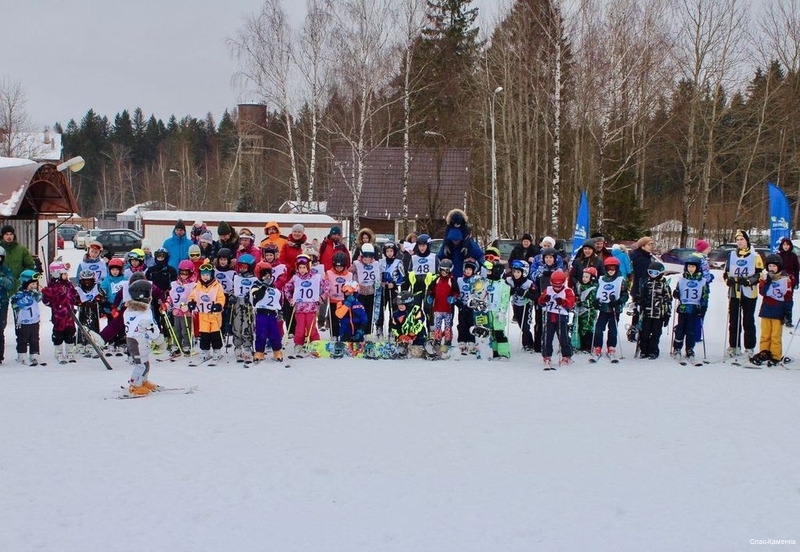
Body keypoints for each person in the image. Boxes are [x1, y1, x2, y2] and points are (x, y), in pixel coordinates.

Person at [723, 229, 763, 358]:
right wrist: (728, 280)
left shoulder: (755, 256)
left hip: (749, 293)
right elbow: (726, 272)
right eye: (737, 240)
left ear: (747, 240)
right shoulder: (732, 255)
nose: (739, 242)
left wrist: (748, 281)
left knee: (748, 320)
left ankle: (749, 347)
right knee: (734, 320)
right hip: (735, 292)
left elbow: (759, 274)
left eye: (742, 239)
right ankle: (734, 346)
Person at [124, 280, 166, 396]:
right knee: (140, 365)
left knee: (145, 363)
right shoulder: (144, 316)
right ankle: (134, 386)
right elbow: (153, 330)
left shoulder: (130, 310)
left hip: (140, 341)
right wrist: (160, 341)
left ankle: (143, 381)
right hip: (137, 343)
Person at [750, 254, 793, 366]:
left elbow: (788, 297)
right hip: (766, 310)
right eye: (769, 266)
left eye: (774, 266)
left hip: (778, 311)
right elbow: (762, 292)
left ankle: (775, 355)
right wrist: (767, 281)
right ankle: (764, 352)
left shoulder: (785, 279)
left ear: (778, 266)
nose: (771, 268)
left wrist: (788, 313)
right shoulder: (765, 278)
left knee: (775, 335)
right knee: (765, 334)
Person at [284, 255, 329, 354]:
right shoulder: (295, 278)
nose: (302, 270)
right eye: (300, 267)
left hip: (311, 307)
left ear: (308, 266)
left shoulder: (315, 277)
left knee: (311, 326)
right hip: (299, 308)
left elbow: (326, 286)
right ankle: (298, 343)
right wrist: (291, 299)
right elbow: (287, 287)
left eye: (304, 267)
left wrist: (322, 297)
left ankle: (315, 342)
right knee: (299, 327)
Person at [591, 256, 628, 362]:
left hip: (614, 309)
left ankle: (611, 347)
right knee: (599, 329)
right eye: (609, 269)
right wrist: (596, 302)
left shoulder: (621, 280)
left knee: (613, 330)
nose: (611, 271)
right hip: (603, 309)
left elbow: (625, 294)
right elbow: (597, 291)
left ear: (617, 268)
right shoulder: (602, 279)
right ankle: (597, 347)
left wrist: (619, 301)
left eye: (613, 269)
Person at [188, 260, 226, 363]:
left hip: (214, 315)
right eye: (203, 275)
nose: (205, 277)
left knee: (215, 333)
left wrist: (219, 305)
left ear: (212, 275)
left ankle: (216, 350)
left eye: (207, 275)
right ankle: (205, 351)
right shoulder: (197, 286)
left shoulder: (217, 286)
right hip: (203, 314)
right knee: (204, 334)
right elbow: (192, 296)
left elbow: (221, 298)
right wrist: (191, 303)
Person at [41, 261, 79, 363]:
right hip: (59, 316)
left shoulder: (69, 284)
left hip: (69, 315)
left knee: (70, 332)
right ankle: (58, 351)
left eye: (67, 273)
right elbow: (46, 300)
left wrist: (76, 298)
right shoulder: (53, 286)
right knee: (58, 333)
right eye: (64, 274)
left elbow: (73, 294)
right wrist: (51, 301)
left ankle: (70, 350)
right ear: (57, 274)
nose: (67, 276)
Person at [671, 257, 708, 363]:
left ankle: (689, 349)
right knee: (680, 329)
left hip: (694, 309)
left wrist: (703, 308)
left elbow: (705, 296)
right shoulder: (682, 279)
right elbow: (678, 290)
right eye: (689, 266)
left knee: (691, 331)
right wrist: (676, 293)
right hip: (683, 308)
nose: (691, 269)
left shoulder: (702, 281)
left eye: (693, 267)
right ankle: (677, 348)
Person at [538, 268, 575, 369]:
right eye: (555, 285)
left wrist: (563, 301)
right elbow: (540, 302)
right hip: (550, 316)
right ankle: (546, 356)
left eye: (559, 286)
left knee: (564, 338)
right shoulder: (548, 289)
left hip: (561, 317)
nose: (557, 288)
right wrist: (544, 299)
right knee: (546, 338)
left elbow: (571, 303)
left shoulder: (567, 291)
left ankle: (567, 356)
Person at [636, 261, 672, 360]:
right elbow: (641, 296)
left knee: (656, 333)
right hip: (647, 313)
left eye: (655, 273)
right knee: (645, 333)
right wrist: (640, 300)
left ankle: (653, 350)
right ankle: (644, 350)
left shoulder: (664, 285)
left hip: (658, 314)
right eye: (650, 272)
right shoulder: (646, 283)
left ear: (660, 273)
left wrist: (667, 314)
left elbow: (668, 300)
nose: (652, 275)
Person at [250, 263, 285, 362]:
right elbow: (257, 296)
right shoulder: (256, 285)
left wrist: (280, 312)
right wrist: (264, 286)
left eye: (268, 275)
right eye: (264, 275)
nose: (267, 277)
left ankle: (277, 351)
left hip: (272, 314)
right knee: (261, 334)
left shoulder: (273, 287)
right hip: (261, 314)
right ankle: (259, 352)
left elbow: (277, 300)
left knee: (275, 334)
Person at [10, 269, 42, 365]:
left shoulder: (34, 294)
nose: (34, 286)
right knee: (23, 339)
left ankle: (34, 355)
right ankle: (22, 355)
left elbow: (40, 298)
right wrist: (22, 302)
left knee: (35, 339)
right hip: (24, 321)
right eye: (32, 284)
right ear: (25, 284)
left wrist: (37, 294)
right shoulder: (19, 295)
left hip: (35, 321)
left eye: (35, 284)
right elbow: (14, 304)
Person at [426, 258, 459, 350]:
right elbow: (431, 290)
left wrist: (453, 297)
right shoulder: (437, 279)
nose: (444, 272)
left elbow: (456, 292)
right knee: (437, 325)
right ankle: (437, 339)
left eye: (446, 270)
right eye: (442, 270)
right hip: (437, 308)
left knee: (448, 325)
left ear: (450, 270)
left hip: (448, 309)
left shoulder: (451, 280)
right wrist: (430, 297)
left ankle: (448, 340)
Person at [230, 254, 257, 363]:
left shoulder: (254, 279)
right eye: (240, 266)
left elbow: (256, 292)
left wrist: (251, 297)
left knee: (247, 324)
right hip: (237, 303)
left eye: (245, 267)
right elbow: (233, 288)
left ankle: (247, 345)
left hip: (248, 305)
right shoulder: (236, 277)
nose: (242, 269)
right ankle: (237, 345)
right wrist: (232, 296)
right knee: (237, 324)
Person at [376, 242, 405, 339]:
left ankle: (392, 328)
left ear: (394, 252)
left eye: (391, 251)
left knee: (393, 308)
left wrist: (394, 283)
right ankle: (379, 327)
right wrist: (381, 282)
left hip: (393, 289)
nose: (389, 253)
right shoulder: (381, 262)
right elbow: (377, 275)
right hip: (383, 288)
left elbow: (402, 277)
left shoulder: (398, 262)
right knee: (381, 308)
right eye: (387, 251)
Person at [168, 260, 196, 357]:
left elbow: (194, 297)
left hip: (186, 311)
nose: (183, 275)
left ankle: (187, 345)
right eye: (182, 273)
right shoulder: (175, 284)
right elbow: (171, 296)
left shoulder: (193, 285)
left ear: (191, 273)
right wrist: (167, 304)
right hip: (176, 310)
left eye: (186, 273)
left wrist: (189, 306)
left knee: (185, 329)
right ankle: (176, 345)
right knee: (176, 329)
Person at [349, 243, 379, 333]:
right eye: (365, 256)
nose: (367, 258)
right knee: (359, 312)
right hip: (359, 293)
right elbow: (349, 273)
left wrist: (383, 279)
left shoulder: (375, 264)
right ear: (361, 254)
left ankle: (368, 332)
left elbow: (379, 275)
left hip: (371, 292)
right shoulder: (357, 263)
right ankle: (359, 331)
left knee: (369, 313)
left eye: (370, 256)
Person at [507, 260, 536, 352]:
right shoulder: (509, 280)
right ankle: (527, 343)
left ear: (524, 272)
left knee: (525, 326)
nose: (515, 274)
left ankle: (528, 344)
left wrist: (524, 293)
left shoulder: (528, 283)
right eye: (514, 271)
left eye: (518, 272)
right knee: (520, 324)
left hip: (526, 305)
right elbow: (503, 290)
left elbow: (535, 296)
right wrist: (509, 291)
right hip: (516, 305)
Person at [486, 262, 511, 360]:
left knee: (499, 333)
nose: (488, 273)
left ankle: (504, 353)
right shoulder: (486, 282)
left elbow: (505, 299)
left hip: (498, 312)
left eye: (490, 271)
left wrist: (502, 311)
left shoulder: (503, 285)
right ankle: (494, 351)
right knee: (491, 333)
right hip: (488, 311)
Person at [75, 270, 103, 358]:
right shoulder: (78, 289)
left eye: (89, 280)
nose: (87, 283)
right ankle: (81, 342)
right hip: (83, 309)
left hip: (94, 309)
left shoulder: (96, 287)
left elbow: (101, 296)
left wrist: (97, 300)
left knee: (93, 325)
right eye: (85, 280)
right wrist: (79, 302)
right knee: (82, 324)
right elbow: (74, 298)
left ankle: (93, 342)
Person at [1, 225, 36, 291]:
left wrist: (22, 277)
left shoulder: (22, 250)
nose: (9, 236)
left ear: (14, 236)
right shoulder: (0, 250)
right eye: (6, 234)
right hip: (2, 287)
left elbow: (30, 265)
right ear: (2, 236)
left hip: (17, 287)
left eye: (11, 234)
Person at [324, 251, 350, 341]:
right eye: (337, 267)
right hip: (333, 300)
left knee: (344, 320)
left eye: (341, 267)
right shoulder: (329, 273)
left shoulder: (349, 275)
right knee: (334, 320)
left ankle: (344, 335)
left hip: (344, 302)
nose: (339, 269)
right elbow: (325, 284)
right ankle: (334, 335)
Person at [572, 267, 599, 354]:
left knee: (587, 328)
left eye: (587, 277)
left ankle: (588, 346)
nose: (584, 279)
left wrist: (583, 303)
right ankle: (581, 344)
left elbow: (591, 300)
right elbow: (576, 295)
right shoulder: (579, 286)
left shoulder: (593, 288)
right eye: (583, 277)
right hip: (580, 311)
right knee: (579, 327)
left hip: (589, 312)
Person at [456, 258, 479, 355]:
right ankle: (462, 342)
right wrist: (458, 303)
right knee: (462, 324)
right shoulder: (459, 280)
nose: (468, 271)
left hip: (472, 307)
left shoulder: (477, 281)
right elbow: (456, 293)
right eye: (467, 269)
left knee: (472, 324)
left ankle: (472, 342)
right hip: (463, 306)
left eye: (470, 270)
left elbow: (479, 294)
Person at [777, 237, 799, 327]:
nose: (786, 246)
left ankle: (788, 319)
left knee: (789, 300)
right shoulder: (778, 255)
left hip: (790, 280)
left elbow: (796, 269)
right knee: (779, 299)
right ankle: (780, 317)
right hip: (779, 279)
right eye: (784, 245)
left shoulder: (793, 256)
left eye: (787, 245)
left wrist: (797, 281)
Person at [0, 247, 16, 363]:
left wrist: (1, 278)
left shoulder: (5, 270)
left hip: (2, 302)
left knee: (0, 329)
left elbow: (10, 284)